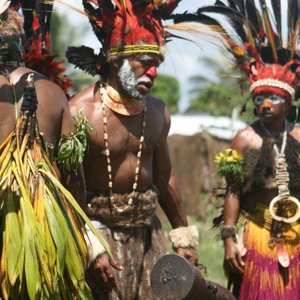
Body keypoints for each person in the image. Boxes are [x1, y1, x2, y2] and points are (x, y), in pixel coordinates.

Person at [67, 1, 199, 299]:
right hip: (99, 236)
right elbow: (65, 187)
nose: (152, 72)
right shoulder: (80, 112)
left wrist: (183, 236)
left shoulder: (157, 112)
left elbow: (164, 177)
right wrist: (89, 243)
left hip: (148, 235)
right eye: (143, 60)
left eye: (157, 64)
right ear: (116, 59)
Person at [179, 1, 300, 299]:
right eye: (258, 99)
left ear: (288, 101)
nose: (264, 105)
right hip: (258, 233)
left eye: (272, 98)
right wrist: (229, 238)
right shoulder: (244, 138)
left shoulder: (298, 135)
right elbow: (232, 191)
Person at [0, 2, 105, 298]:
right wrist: (79, 233)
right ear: (20, 43)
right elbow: (74, 176)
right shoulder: (54, 92)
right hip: (46, 224)